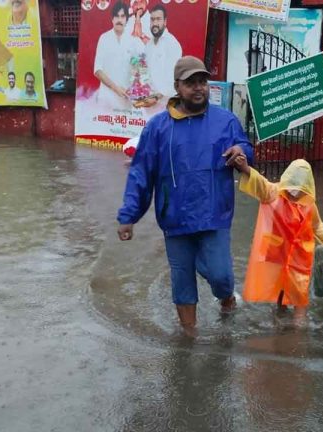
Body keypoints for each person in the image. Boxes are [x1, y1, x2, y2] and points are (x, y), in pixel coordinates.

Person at [116, 56, 253, 335]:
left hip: (214, 214)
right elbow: (141, 173)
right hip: (175, 218)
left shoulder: (225, 121)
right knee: (182, 281)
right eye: (191, 83)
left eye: (202, 81)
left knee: (220, 274)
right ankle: (188, 339)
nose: (198, 88)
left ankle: (226, 298)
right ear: (177, 86)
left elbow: (244, 144)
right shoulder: (157, 128)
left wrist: (241, 153)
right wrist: (128, 216)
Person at [232, 157, 323, 321]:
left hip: (300, 259)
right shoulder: (274, 193)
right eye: (292, 188)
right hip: (277, 255)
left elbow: (317, 227)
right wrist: (245, 168)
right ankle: (281, 320)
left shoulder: (309, 204)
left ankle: (297, 331)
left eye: (299, 189)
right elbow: (259, 183)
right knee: (280, 294)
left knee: (299, 296)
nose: (294, 193)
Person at [94, 2, 144, 107]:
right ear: (112, 19)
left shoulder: (133, 41)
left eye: (122, 16)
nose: (119, 20)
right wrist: (116, 89)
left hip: (126, 100)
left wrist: (133, 87)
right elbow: (98, 70)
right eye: (116, 16)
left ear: (126, 20)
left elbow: (139, 67)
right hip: (106, 99)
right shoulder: (104, 39)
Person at [144, 5, 181, 97]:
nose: (155, 23)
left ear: (165, 21)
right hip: (149, 103)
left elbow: (173, 78)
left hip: (166, 102)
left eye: (158, 19)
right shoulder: (149, 45)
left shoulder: (172, 43)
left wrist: (157, 97)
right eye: (152, 19)